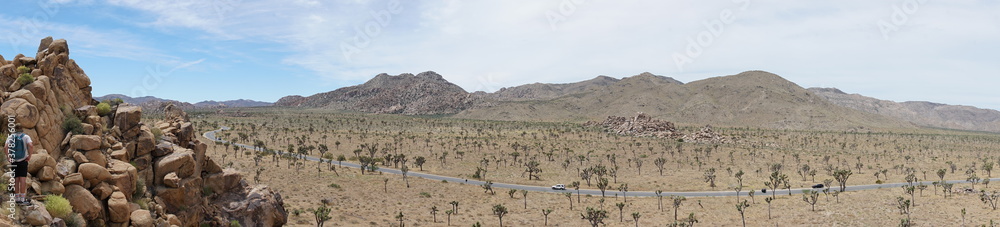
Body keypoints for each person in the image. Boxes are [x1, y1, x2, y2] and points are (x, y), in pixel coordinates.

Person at [5, 125, 33, 206]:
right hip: (23, 161)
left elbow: (5, 147)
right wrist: (29, 156)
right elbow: (31, 146)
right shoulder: (26, 137)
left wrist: (8, 157)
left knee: (16, 180)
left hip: (14, 161)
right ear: (22, 129)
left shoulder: (11, 137)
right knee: (23, 179)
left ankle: (17, 199)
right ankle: (22, 199)